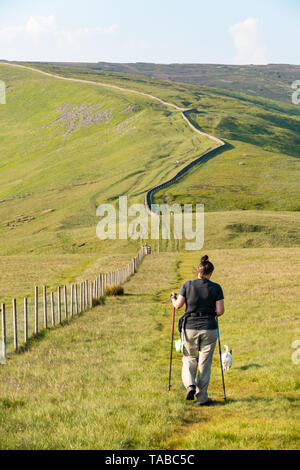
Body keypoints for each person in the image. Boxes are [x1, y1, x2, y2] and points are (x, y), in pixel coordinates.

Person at [171, 255, 224, 406]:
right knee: (204, 363)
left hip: (190, 328)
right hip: (209, 328)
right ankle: (202, 397)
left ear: (198, 271)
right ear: (210, 273)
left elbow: (178, 306)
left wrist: (173, 299)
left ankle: (190, 385)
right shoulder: (216, 287)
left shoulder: (187, 285)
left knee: (189, 358)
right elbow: (220, 311)